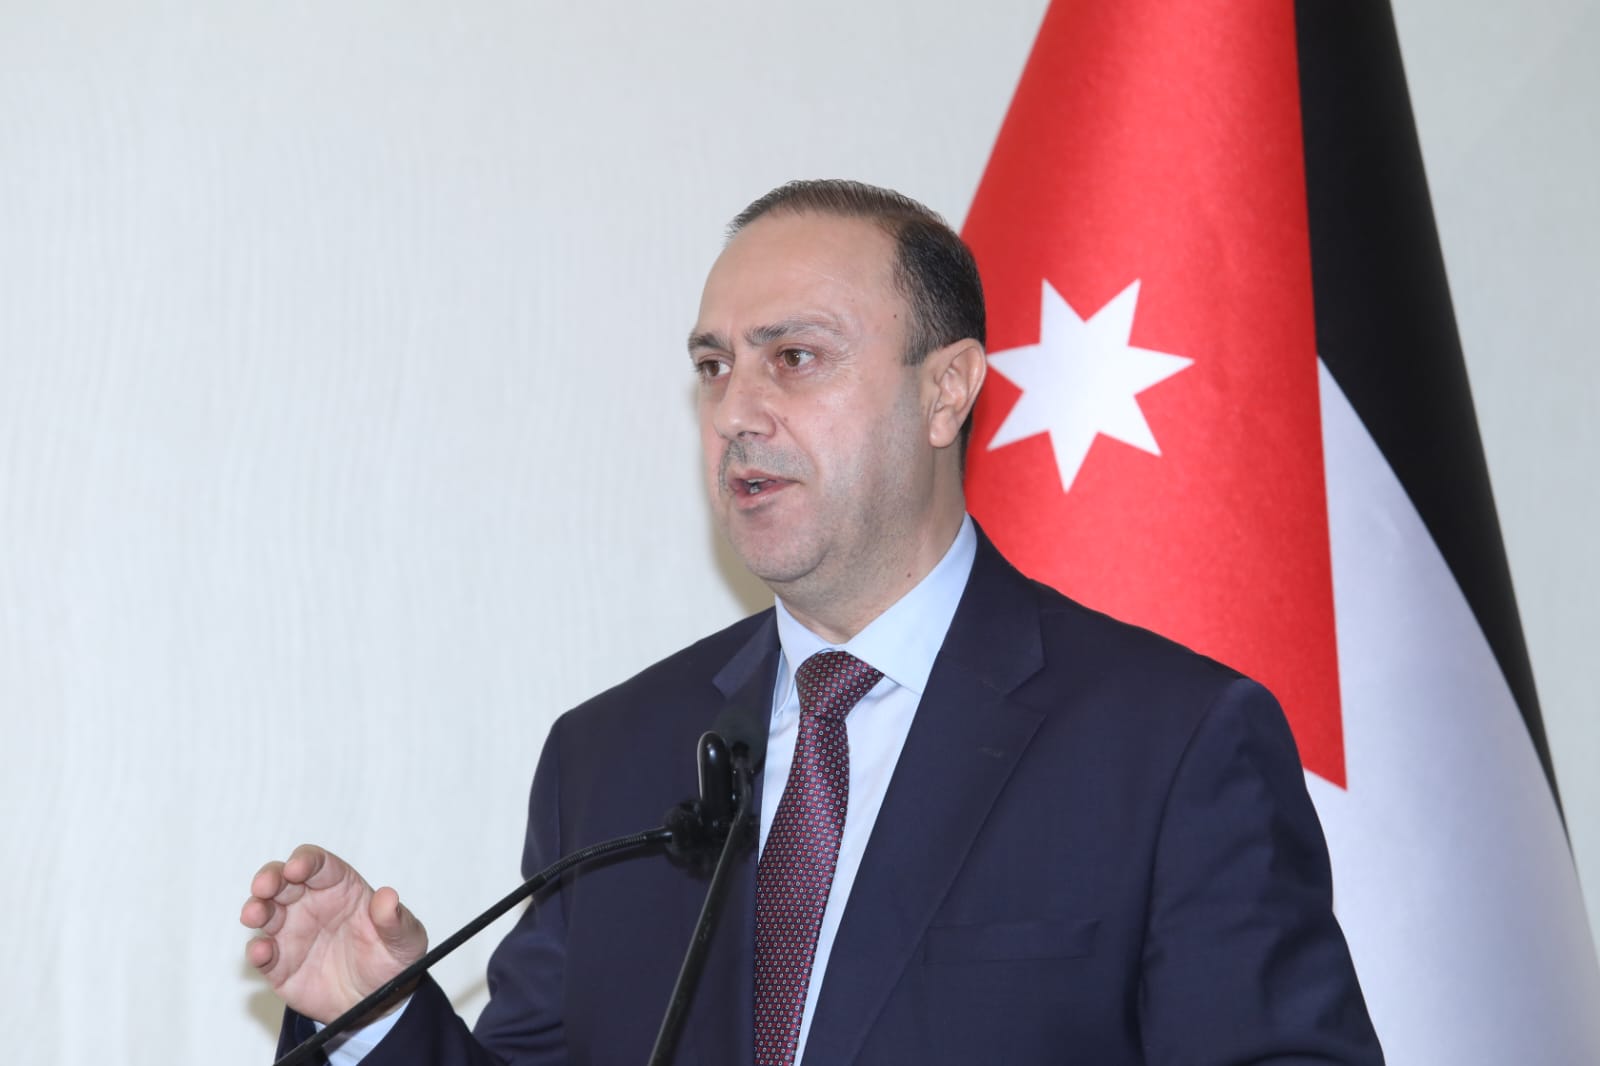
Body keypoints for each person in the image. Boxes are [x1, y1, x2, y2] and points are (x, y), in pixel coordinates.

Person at [242, 180, 1384, 1065]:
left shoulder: (1169, 744)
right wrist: (376, 1017)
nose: (737, 411)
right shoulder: (613, 758)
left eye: (794, 359)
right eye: (713, 366)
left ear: (945, 391)